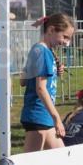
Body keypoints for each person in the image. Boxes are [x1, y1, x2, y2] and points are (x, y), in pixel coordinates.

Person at [20, 13, 74, 152]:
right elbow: (41, 89)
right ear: (51, 30)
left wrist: (53, 70)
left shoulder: (39, 49)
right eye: (65, 36)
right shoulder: (43, 52)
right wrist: (57, 118)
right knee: (30, 164)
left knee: (62, 158)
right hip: (38, 115)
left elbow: (23, 80)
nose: (66, 42)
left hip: (43, 116)